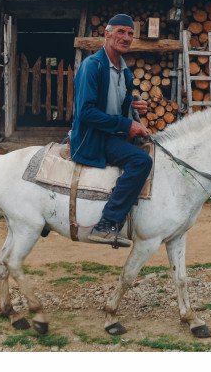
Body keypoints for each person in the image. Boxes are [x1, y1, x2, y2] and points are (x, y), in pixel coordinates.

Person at [70, 14, 152, 247]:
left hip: (114, 134)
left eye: (130, 33)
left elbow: (121, 105)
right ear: (107, 34)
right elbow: (86, 112)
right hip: (94, 137)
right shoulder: (92, 66)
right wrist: (127, 125)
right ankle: (107, 223)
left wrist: (135, 105)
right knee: (141, 162)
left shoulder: (124, 71)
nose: (126, 37)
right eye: (121, 32)